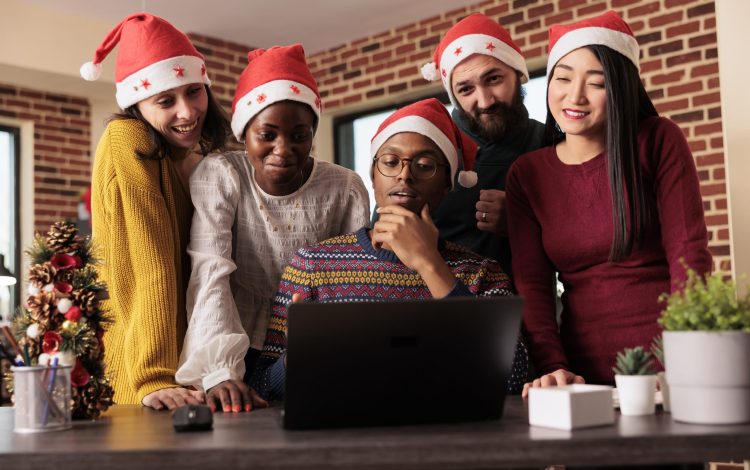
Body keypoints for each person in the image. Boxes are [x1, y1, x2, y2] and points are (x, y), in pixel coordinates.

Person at [251, 98, 529, 400]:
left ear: (447, 184)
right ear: (373, 176)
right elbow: (263, 389)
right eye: (390, 162)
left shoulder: (482, 273)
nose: (404, 175)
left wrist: (429, 264)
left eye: (424, 165)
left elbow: (514, 377)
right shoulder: (312, 266)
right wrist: (296, 358)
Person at [505, 11, 712, 394]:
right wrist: (553, 366)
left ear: (621, 89)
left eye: (596, 82)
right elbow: (532, 284)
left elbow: (689, 252)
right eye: (563, 78)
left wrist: (688, 352)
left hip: (669, 367)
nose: (574, 96)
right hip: (581, 376)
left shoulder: (657, 140)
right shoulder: (527, 174)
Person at [175, 44, 370, 413]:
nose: (283, 149)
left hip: (317, 346)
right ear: (244, 133)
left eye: (299, 135)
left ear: (313, 133)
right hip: (236, 341)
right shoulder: (222, 174)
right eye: (267, 135)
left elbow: (353, 278)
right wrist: (219, 372)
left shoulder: (344, 187)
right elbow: (210, 270)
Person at [85, 13, 231, 409]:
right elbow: (150, 261)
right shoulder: (127, 137)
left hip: (188, 361)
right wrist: (154, 376)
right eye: (165, 100)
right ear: (137, 103)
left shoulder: (195, 156)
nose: (187, 111)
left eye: (195, 92)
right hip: (145, 367)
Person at [421, 13, 545, 273]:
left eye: (494, 79)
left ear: (517, 73)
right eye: (466, 89)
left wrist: (524, 221)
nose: (485, 101)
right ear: (454, 96)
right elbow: (387, 244)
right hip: (435, 310)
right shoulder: (426, 144)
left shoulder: (550, 142)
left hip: (528, 307)